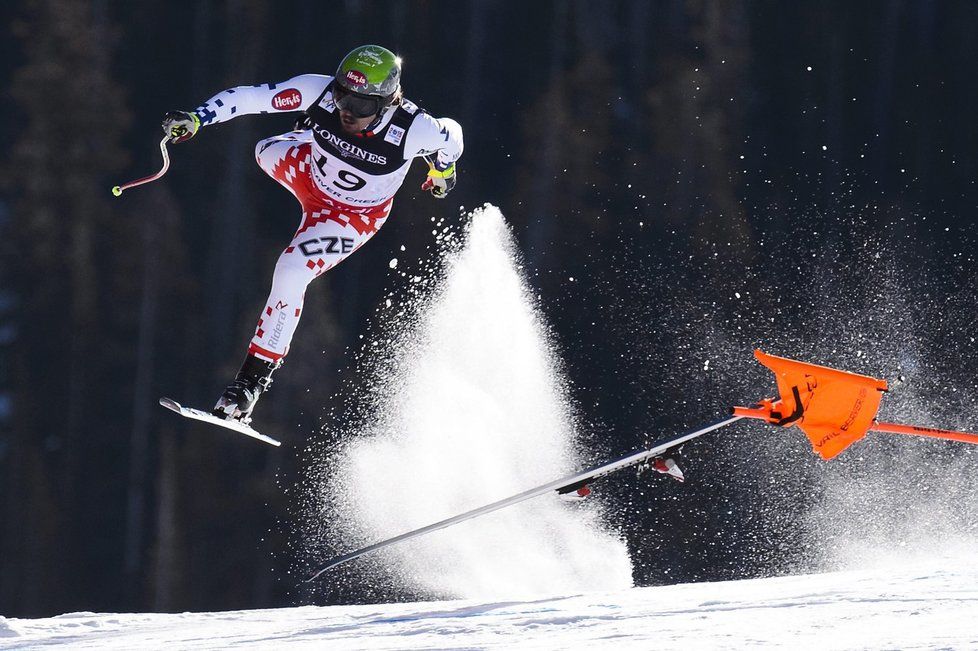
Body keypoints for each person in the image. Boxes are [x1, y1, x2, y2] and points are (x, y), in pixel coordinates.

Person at [161, 45, 464, 424]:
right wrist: (198, 118)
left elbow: (452, 135)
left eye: (362, 104)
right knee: (264, 150)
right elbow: (252, 97)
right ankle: (306, 135)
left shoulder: (413, 128)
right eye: (342, 95)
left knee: (291, 271)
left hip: (352, 216)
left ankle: (249, 385)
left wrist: (441, 171)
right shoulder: (317, 92)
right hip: (308, 174)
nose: (347, 110)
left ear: (387, 103)